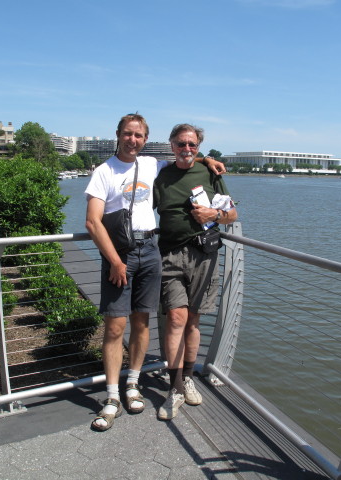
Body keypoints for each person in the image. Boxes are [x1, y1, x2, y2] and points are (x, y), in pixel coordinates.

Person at [84, 114, 224, 431]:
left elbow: (184, 156)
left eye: (139, 135)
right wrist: (115, 261)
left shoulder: (151, 165)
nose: (132, 140)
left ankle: (132, 384)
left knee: (142, 322)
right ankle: (111, 396)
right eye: (128, 134)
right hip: (119, 253)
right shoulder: (104, 172)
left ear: (146, 139)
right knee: (115, 326)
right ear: (118, 135)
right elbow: (92, 222)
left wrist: (208, 159)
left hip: (150, 251)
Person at [153, 123, 238, 420]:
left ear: (199, 146)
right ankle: (175, 388)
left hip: (204, 255)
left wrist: (213, 213)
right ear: (171, 145)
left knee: (194, 320)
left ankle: (187, 376)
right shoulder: (160, 175)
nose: (186, 149)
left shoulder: (210, 173)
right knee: (176, 317)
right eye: (180, 144)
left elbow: (232, 215)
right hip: (169, 255)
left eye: (192, 144)